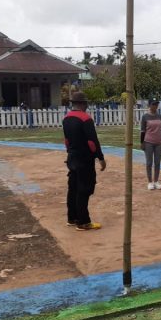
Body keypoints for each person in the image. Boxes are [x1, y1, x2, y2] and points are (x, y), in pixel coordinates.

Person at [63, 91, 106, 231]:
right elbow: (92, 141)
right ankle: (83, 222)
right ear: (82, 104)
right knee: (84, 189)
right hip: (84, 159)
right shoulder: (86, 119)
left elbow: (67, 141)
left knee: (73, 187)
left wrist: (70, 153)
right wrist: (100, 158)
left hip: (72, 157)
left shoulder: (66, 118)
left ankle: (72, 218)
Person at [140, 98, 161, 190]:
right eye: (153, 104)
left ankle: (156, 181)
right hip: (148, 142)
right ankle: (150, 182)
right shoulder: (145, 117)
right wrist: (142, 143)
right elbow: (143, 131)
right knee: (149, 163)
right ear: (149, 105)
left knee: (157, 162)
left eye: (156, 104)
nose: (155, 106)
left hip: (158, 142)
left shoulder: (160, 116)